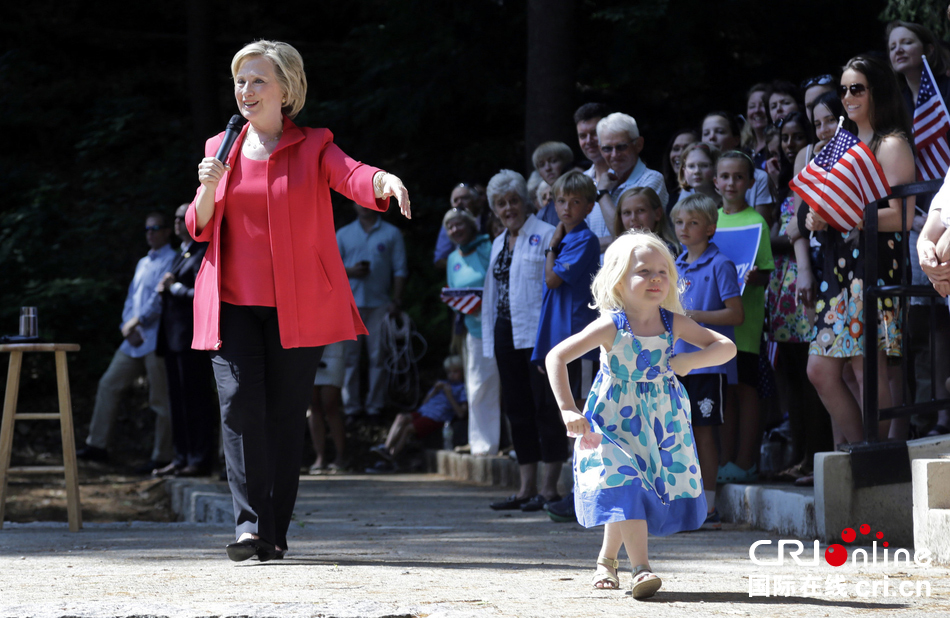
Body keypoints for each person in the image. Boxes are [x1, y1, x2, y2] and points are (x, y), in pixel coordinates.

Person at [186, 40, 410, 562]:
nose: (246, 90)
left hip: (297, 307)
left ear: (286, 88)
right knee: (239, 406)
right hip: (232, 304)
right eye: (241, 81)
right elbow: (199, 226)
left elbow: (352, 174)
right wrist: (206, 188)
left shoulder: (314, 146)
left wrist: (382, 180)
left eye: (258, 80)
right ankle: (246, 526)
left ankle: (274, 531)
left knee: (286, 417)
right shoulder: (219, 146)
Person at [545, 231, 736, 598]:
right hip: (613, 420)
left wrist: (689, 361)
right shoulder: (610, 325)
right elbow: (557, 357)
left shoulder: (672, 322)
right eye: (644, 271)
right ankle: (641, 569)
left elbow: (724, 347)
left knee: (631, 492)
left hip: (660, 423)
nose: (655, 279)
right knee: (626, 484)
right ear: (618, 279)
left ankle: (606, 560)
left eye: (663, 271)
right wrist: (568, 408)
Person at [803, 55, 915, 446]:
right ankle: (861, 454)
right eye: (844, 89)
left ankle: (873, 457)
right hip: (838, 271)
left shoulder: (891, 143)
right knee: (821, 370)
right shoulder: (842, 144)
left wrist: (842, 217)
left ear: (876, 92)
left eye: (857, 89)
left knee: (868, 368)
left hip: (874, 268)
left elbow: (901, 216)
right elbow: (828, 205)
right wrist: (817, 218)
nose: (847, 97)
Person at [480, 170, 567, 512]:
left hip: (538, 335)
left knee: (547, 408)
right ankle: (524, 488)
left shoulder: (547, 234)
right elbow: (491, 294)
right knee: (517, 409)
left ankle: (549, 489)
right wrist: (490, 339)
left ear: (526, 202)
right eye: (501, 204)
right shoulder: (498, 242)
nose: (508, 208)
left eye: (513, 200)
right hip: (505, 332)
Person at [77, 213, 176, 471]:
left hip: (155, 340)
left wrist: (138, 322)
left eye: (156, 228)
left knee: (160, 400)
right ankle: (97, 446)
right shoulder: (143, 262)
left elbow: (159, 299)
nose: (150, 233)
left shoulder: (172, 259)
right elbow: (132, 297)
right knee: (108, 384)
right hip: (132, 340)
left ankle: (162, 457)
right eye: (147, 229)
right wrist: (126, 325)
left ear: (167, 232)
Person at [889, 20, 950, 438]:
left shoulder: (944, 89)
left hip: (940, 218)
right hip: (918, 223)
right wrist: (922, 226)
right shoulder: (892, 102)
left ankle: (943, 412)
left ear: (927, 46)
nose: (899, 50)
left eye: (907, 41)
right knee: (920, 321)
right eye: (891, 45)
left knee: (941, 323)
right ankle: (924, 411)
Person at [671, 194, 743, 530]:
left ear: (711, 228)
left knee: (703, 432)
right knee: (677, 433)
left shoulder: (720, 264)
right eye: (679, 223)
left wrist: (696, 317)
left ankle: (709, 505)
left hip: (709, 365)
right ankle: (684, 504)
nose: (684, 229)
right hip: (676, 363)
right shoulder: (674, 265)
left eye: (693, 223)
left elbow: (736, 314)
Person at [713, 151, 774, 484]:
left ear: (751, 183)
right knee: (726, 390)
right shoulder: (710, 221)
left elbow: (766, 272)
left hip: (746, 322)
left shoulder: (757, 222)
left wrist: (754, 279)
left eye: (739, 177)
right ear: (715, 181)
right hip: (716, 322)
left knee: (746, 389)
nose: (731, 183)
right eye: (725, 176)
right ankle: (725, 459)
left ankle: (746, 459)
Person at [154, 204, 216, 477]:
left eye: (183, 217)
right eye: (176, 218)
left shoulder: (204, 252)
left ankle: (200, 459)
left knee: (196, 401)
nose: (178, 222)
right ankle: (180, 457)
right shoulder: (183, 253)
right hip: (172, 340)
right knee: (177, 401)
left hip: (193, 340)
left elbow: (204, 295)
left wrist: (175, 289)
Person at [337, 201, 408, 422]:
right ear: (353, 205)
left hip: (380, 305)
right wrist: (351, 271)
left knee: (378, 358)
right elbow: (330, 269)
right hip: (350, 305)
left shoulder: (391, 233)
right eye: (358, 201)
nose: (363, 205)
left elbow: (400, 269)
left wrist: (396, 300)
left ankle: (374, 407)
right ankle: (351, 408)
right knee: (349, 359)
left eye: (367, 200)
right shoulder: (343, 234)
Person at [444, 207, 500, 457]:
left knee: (511, 386)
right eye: (450, 226)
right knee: (477, 387)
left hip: (502, 324)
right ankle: (482, 446)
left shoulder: (488, 246)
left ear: (470, 225)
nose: (455, 230)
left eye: (459, 224)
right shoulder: (452, 259)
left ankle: (514, 445)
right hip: (473, 329)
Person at [368, 356, 467, 472]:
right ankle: (386, 448)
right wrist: (434, 391)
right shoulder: (442, 384)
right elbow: (424, 404)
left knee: (408, 429)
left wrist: (449, 394)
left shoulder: (462, 389)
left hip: (436, 417)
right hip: (423, 412)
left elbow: (461, 413)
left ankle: (389, 459)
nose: (452, 375)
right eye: (449, 372)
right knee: (401, 417)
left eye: (455, 372)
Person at [595, 113, 669, 250]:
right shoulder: (598, 182)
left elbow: (626, 237)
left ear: (639, 144)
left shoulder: (652, 179)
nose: (614, 155)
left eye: (621, 147)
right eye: (607, 148)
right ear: (600, 149)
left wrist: (602, 194)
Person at [701, 111, 775, 227]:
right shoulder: (695, 177)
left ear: (736, 139)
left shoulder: (759, 177)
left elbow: (761, 227)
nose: (711, 137)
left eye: (720, 132)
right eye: (706, 133)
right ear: (716, 181)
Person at [574, 102, 615, 247]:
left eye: (594, 134)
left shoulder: (628, 176)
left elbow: (635, 236)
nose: (588, 141)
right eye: (582, 136)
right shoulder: (580, 182)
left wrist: (585, 246)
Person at [307, 340, 347, 474]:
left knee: (330, 405)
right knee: (314, 406)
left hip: (333, 350)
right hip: (309, 349)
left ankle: (340, 456)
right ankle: (319, 458)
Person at [434, 183, 485, 270]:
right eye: (455, 200)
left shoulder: (488, 217)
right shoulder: (450, 226)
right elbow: (440, 259)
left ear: (476, 200)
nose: (459, 203)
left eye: (464, 198)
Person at [615, 187, 679, 255]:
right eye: (627, 212)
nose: (633, 218)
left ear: (658, 213)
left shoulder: (666, 252)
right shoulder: (618, 252)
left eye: (640, 210)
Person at [532, 142, 574, 226]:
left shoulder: (582, 195)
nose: (547, 168)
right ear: (539, 173)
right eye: (542, 165)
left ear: (566, 162)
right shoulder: (542, 214)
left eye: (553, 161)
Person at [662, 129, 701, 212]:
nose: (680, 154)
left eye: (687, 148)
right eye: (676, 149)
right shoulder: (666, 196)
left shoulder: (708, 194)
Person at [740, 83, 771, 168]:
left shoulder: (777, 147)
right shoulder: (744, 149)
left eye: (763, 105)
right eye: (752, 106)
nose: (757, 110)